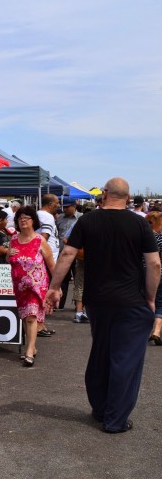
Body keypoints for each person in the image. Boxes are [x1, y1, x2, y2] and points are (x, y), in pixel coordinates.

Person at [45, 178, 160, 433]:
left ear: (105, 194)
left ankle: (100, 408)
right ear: (129, 198)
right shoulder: (140, 223)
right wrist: (151, 298)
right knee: (126, 360)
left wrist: (54, 288)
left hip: (97, 301)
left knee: (101, 353)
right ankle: (115, 419)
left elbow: (67, 254)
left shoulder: (87, 220)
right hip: (131, 301)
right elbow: (154, 264)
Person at [7, 205, 55, 367]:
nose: (23, 221)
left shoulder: (39, 240)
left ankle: (29, 352)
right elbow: (10, 260)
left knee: (31, 317)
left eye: (26, 218)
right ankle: (32, 348)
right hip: (19, 286)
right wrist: (8, 254)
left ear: (33, 221)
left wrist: (57, 286)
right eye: (20, 219)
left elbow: (51, 264)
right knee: (25, 317)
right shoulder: (13, 240)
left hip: (37, 285)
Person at [56, 201, 79, 309]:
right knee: (62, 279)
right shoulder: (59, 218)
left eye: (67, 207)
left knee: (78, 279)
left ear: (74, 206)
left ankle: (78, 305)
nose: (64, 209)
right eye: (63, 207)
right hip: (62, 253)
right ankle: (60, 305)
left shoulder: (80, 218)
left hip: (78, 254)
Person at [146, 211, 162, 345]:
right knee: (160, 302)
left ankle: (142, 329)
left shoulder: (141, 236)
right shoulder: (160, 237)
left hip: (141, 272)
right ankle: (156, 331)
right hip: (158, 272)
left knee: (144, 300)